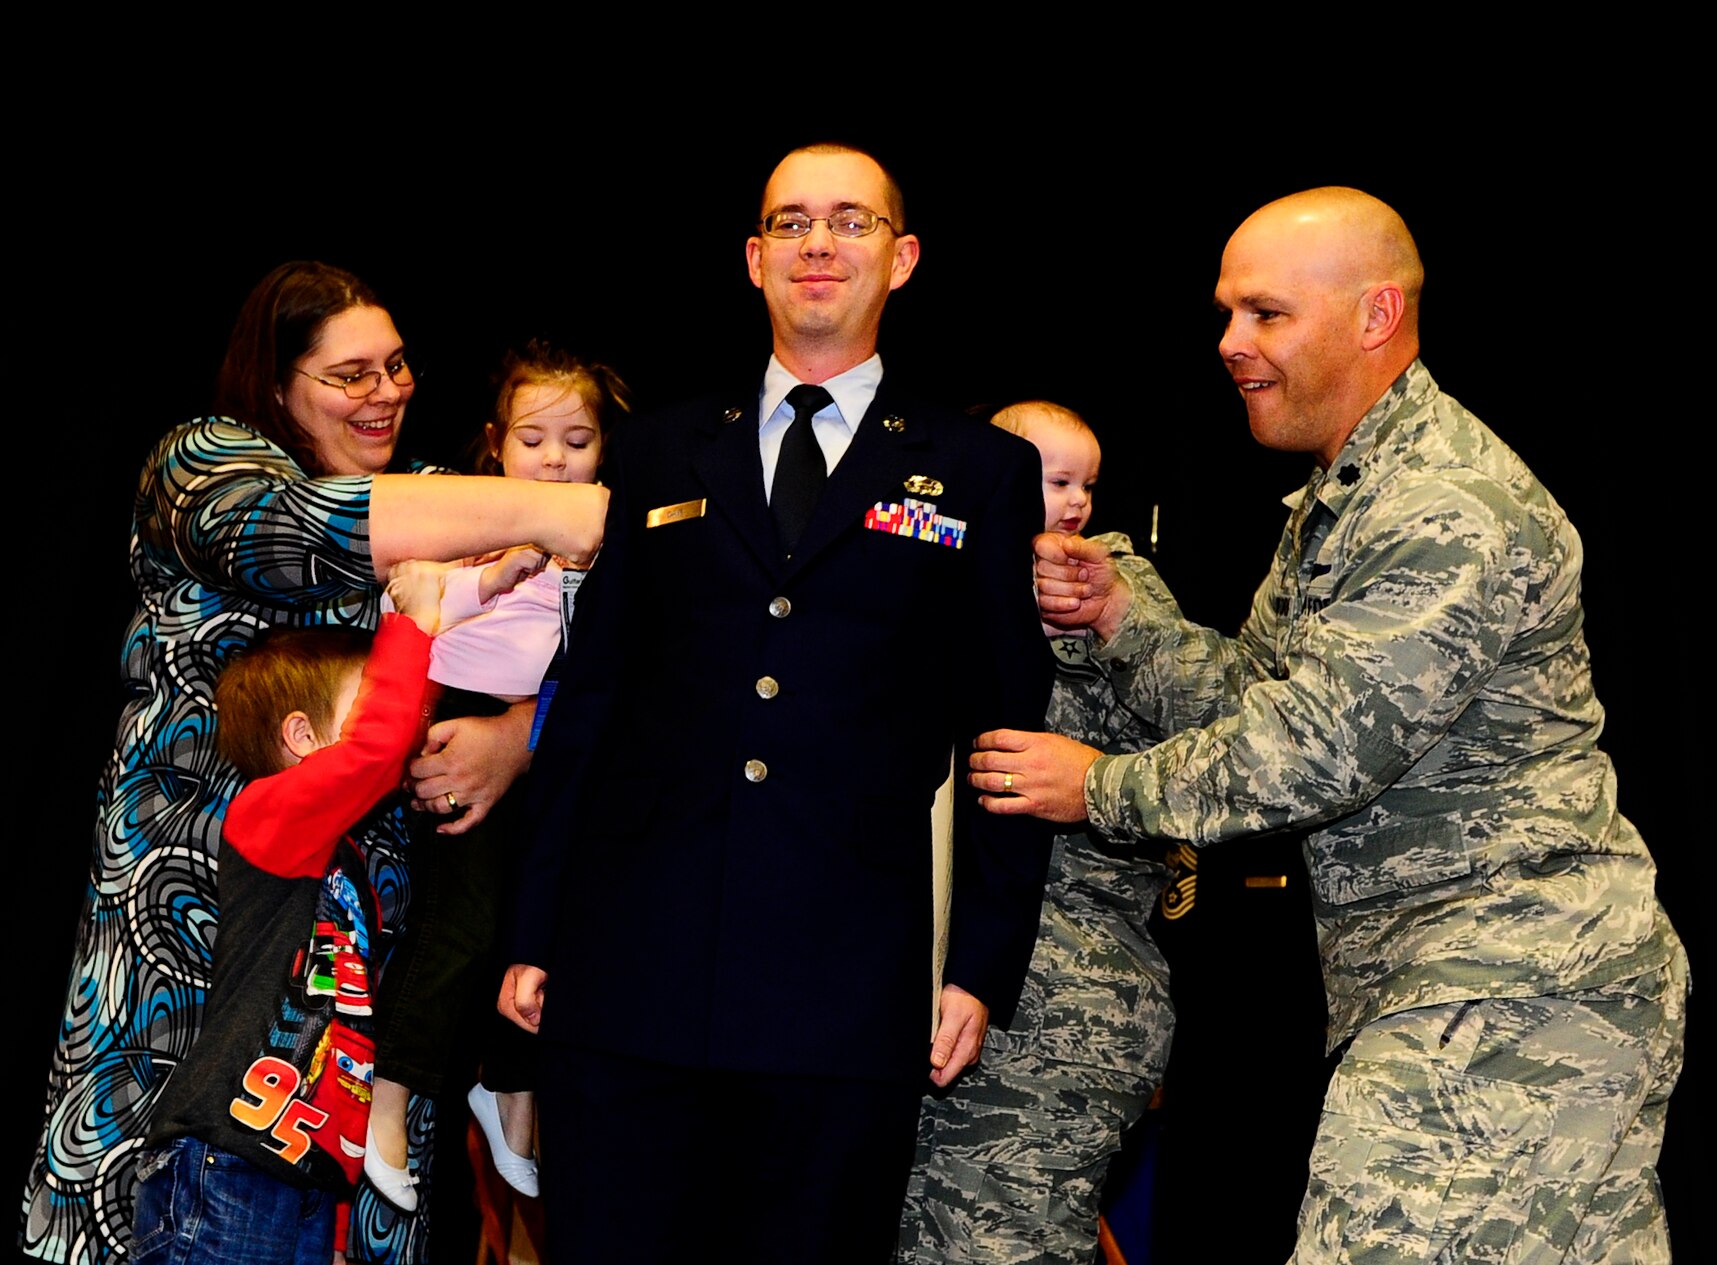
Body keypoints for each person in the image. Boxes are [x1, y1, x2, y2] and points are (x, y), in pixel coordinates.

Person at [970, 188, 1688, 1263]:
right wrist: (1121, 618)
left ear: (1373, 315)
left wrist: (1097, 786)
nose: (1228, 343)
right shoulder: (1342, 497)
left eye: (1264, 314)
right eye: (1224, 314)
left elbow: (1308, 750)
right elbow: (1258, 694)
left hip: (1509, 988)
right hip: (1463, 983)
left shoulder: (1442, 504)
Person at [498, 143, 1056, 1263]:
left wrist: (978, 968)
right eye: (791, 222)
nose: (817, 243)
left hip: (843, 986)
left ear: (900, 259)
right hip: (629, 968)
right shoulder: (657, 446)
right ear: (753, 259)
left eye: (849, 222)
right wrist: (533, 929)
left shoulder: (979, 467)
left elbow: (1007, 734)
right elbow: (593, 694)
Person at [20, 261, 606, 1265]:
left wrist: (514, 737)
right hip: (194, 962)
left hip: (359, 983)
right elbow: (311, 528)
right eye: (348, 374)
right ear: (279, 383)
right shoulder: (205, 461)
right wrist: (549, 514)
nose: (384, 391)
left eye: (396, 365)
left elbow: (569, 655)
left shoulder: (437, 498)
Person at [896, 401, 1176, 1264]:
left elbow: (1217, 723)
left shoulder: (1107, 584)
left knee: (999, 1243)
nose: (1075, 503)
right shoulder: (937, 566)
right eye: (1054, 481)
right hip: (922, 978)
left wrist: (1102, 613)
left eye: (1085, 484)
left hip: (1059, 1001)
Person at [363, 340, 627, 1208]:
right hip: (460, 713)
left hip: (546, 735)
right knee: (461, 928)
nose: (555, 459)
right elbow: (412, 598)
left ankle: (509, 1091)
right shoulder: (470, 522)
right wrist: (496, 575)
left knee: (536, 930)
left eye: (577, 441)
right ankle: (389, 1100)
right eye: (534, 438)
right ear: (495, 444)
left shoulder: (603, 537)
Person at [129, 562, 447, 1265]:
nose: (401, 728)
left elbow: (338, 1057)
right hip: (226, 1164)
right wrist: (415, 619)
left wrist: (331, 1227)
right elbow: (379, 750)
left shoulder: (347, 874)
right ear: (302, 736)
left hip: (298, 1179)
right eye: (371, 704)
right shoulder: (267, 819)